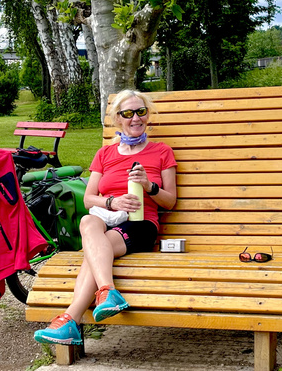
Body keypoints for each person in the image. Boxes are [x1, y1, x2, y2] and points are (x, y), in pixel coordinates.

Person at [33, 90, 177, 345]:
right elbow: (89, 199)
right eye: (128, 113)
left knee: (94, 252)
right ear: (117, 118)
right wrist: (113, 201)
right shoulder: (105, 154)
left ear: (147, 115)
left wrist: (148, 186)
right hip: (107, 216)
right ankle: (107, 292)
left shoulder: (161, 151)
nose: (136, 118)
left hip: (140, 224)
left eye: (141, 112)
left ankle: (70, 320)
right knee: (88, 221)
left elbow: (170, 201)